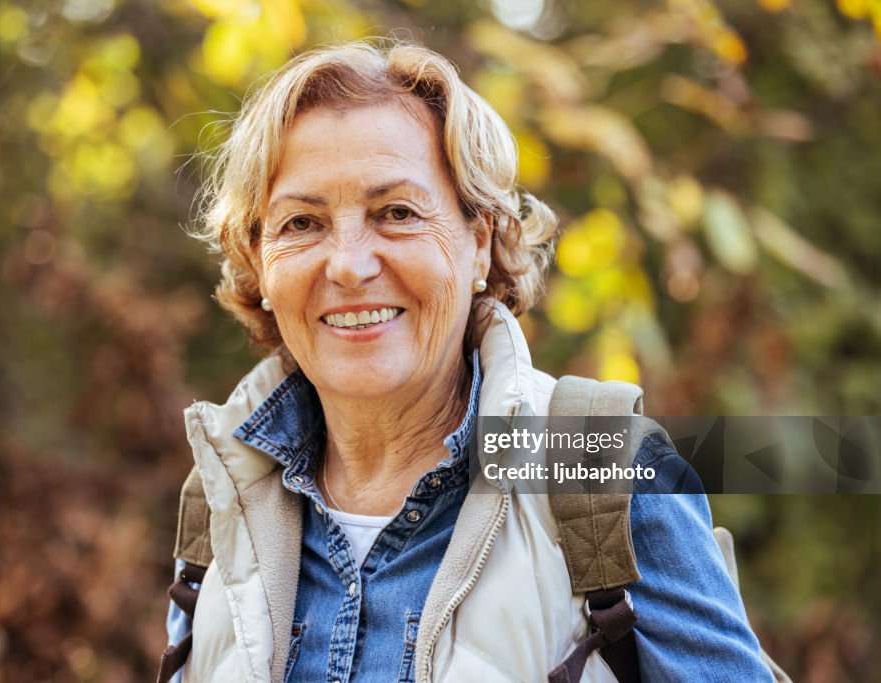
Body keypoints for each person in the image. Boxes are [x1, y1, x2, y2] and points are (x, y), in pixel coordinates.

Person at [161, 39, 773, 682]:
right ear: (257, 260)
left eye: (396, 213)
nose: (346, 264)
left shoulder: (604, 472)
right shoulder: (223, 489)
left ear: (478, 243)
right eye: (301, 224)